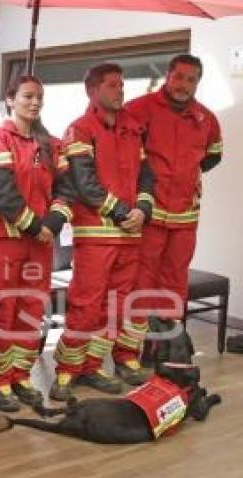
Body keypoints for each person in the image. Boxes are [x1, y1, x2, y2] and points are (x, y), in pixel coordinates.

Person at [111, 54, 223, 381]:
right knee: (142, 282)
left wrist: (187, 178)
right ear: (168, 76)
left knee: (175, 282)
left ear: (198, 83)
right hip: (148, 215)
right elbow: (122, 154)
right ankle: (132, 350)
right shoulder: (139, 108)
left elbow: (213, 157)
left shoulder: (207, 119)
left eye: (191, 80)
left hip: (185, 217)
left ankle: (166, 348)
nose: (183, 85)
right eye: (179, 77)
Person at [49, 62, 155, 401]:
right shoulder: (79, 129)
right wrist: (125, 212)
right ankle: (67, 371)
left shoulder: (132, 128)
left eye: (121, 85)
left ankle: (93, 365)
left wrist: (144, 209)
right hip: (96, 234)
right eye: (112, 85)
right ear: (93, 91)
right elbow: (85, 185)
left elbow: (146, 177)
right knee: (86, 303)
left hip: (130, 235)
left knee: (117, 305)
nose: (120, 90)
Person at [0, 75, 70, 413]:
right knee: (3, 310)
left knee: (31, 310)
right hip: (4, 241)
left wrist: (54, 222)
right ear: (10, 100)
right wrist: (36, 226)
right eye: (28, 96)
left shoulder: (51, 144)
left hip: (40, 244)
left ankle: (20, 376)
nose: (34, 103)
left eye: (39, 97)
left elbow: (66, 188)